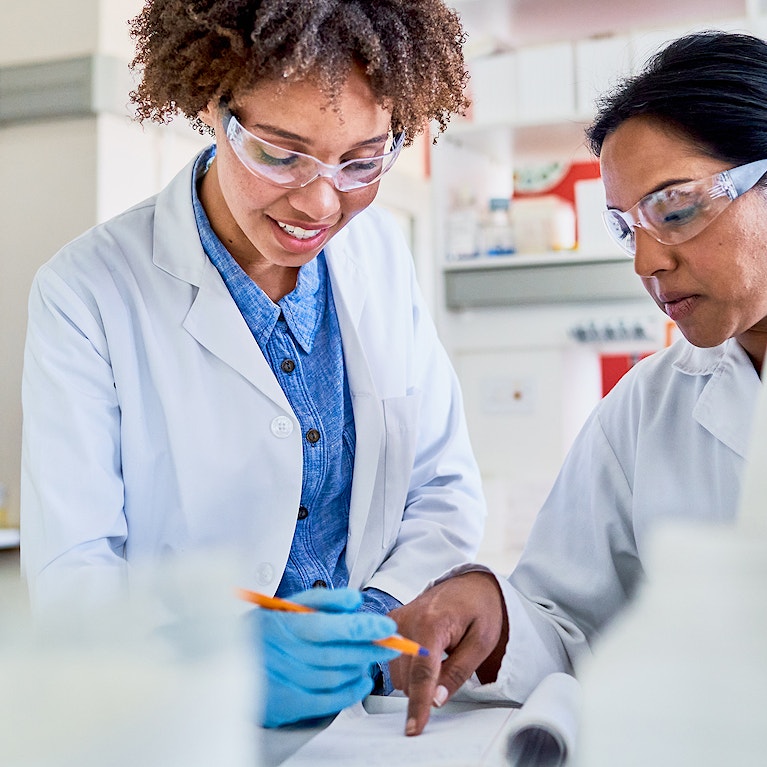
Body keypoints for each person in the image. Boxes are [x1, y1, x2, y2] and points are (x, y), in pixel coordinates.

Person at [20, 0, 485, 727]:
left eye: (362, 160)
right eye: (279, 152)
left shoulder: (382, 251)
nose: (321, 200)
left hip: (371, 716)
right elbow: (71, 577)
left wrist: (374, 611)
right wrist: (221, 663)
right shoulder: (88, 291)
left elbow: (442, 484)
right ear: (212, 106)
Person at [388, 29, 767, 736]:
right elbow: (567, 622)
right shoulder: (647, 408)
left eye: (675, 208)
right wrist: (496, 612)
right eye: (627, 228)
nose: (646, 261)